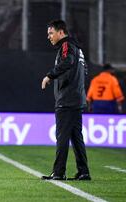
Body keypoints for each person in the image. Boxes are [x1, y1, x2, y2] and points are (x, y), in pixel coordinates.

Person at [41, 20, 91, 180]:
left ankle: (59, 172)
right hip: (76, 98)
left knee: (62, 136)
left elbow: (67, 61)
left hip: (67, 100)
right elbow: (84, 70)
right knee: (76, 137)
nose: (48, 36)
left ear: (61, 32)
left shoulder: (67, 45)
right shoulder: (77, 48)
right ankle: (83, 171)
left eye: (51, 33)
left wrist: (50, 75)